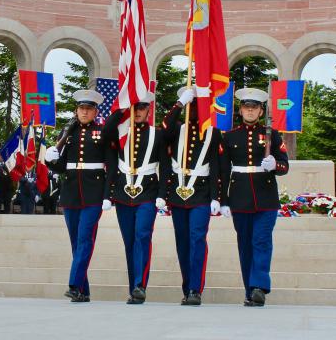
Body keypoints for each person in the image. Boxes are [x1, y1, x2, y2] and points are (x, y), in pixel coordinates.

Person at [220, 87, 289, 307]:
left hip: (266, 197)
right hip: (240, 197)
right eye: (246, 107)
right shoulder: (229, 137)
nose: (250, 111)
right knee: (245, 245)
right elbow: (222, 170)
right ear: (240, 110)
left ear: (261, 111)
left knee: (261, 240)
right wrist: (223, 200)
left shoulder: (272, 134)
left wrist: (274, 165)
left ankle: (259, 286)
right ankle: (250, 290)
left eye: (255, 108)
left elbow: (285, 165)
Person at [102, 92, 169, 305]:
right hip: (123, 193)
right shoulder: (122, 132)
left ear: (149, 110)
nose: (138, 111)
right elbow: (105, 131)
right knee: (129, 242)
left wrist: (162, 195)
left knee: (142, 236)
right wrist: (122, 108)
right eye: (135, 107)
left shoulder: (157, 134)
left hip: (148, 192)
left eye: (141, 107)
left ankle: (140, 284)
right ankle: (134, 288)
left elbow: (165, 166)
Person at [45, 89, 111, 303]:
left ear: (95, 112)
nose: (84, 112)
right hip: (71, 193)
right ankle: (84, 291)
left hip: (94, 194)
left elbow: (111, 165)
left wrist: (108, 195)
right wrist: (50, 159)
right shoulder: (68, 133)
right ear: (76, 110)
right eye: (81, 108)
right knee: (76, 242)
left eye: (89, 109)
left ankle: (74, 285)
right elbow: (61, 167)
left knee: (84, 239)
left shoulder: (102, 132)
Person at [161, 86, 223, 306]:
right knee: (182, 242)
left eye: (198, 105)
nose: (194, 109)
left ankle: (196, 289)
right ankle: (187, 286)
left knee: (197, 239)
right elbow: (163, 130)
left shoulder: (212, 132)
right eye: (191, 104)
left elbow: (216, 166)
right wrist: (178, 104)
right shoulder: (177, 130)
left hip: (201, 194)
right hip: (178, 194)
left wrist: (217, 197)